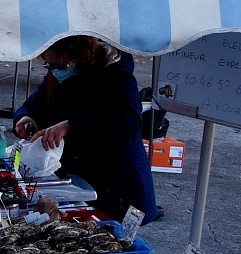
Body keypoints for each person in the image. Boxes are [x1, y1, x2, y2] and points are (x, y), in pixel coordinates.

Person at [13, 36, 159, 224]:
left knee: (115, 238)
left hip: (117, 179)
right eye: (50, 66)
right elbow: (35, 103)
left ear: (79, 57)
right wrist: (25, 117)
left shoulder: (114, 73)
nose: (55, 71)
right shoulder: (57, 74)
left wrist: (70, 125)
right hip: (81, 175)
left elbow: (129, 122)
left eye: (60, 66)